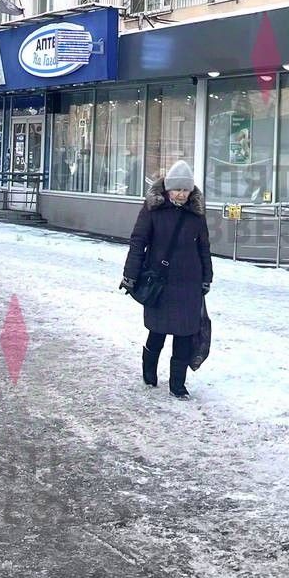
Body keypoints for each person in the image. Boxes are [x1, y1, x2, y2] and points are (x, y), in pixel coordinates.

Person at [121, 161, 213, 400]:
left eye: (186, 190)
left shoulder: (196, 213)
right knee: (157, 331)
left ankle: (178, 385)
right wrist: (130, 275)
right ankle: (149, 373)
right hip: (160, 283)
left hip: (189, 283)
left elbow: (204, 246)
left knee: (185, 335)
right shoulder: (153, 209)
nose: (181, 194)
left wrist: (207, 277)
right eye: (177, 189)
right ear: (168, 189)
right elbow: (138, 241)